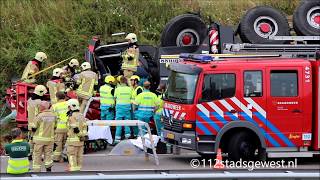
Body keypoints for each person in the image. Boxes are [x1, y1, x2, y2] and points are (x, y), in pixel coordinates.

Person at [31, 101, 57, 172]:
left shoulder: (39, 116)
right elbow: (55, 126)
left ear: (42, 107)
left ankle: (37, 171)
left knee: (37, 155)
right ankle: (48, 170)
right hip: (50, 139)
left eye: (39, 106)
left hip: (39, 140)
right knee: (48, 155)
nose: (39, 107)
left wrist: (31, 137)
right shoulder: (54, 115)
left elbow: (33, 128)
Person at [66, 99, 88, 171]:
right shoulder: (81, 115)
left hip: (73, 141)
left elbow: (75, 128)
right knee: (79, 156)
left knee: (72, 155)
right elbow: (85, 127)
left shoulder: (71, 116)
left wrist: (80, 135)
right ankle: (78, 170)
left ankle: (73, 171)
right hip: (81, 141)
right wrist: (83, 136)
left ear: (70, 107)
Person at [27, 85, 47, 158]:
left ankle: (30, 153)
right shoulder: (40, 102)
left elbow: (28, 110)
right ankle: (39, 155)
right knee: (38, 140)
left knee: (31, 139)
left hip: (30, 123)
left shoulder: (29, 100)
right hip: (38, 124)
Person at [114, 76, 132, 143]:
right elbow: (131, 98)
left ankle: (117, 139)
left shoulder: (117, 89)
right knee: (127, 121)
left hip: (119, 107)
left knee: (119, 122)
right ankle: (127, 137)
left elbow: (115, 98)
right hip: (127, 106)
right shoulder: (129, 89)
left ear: (120, 81)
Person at [51, 92, 68, 162]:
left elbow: (52, 118)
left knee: (58, 143)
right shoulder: (69, 104)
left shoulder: (54, 106)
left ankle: (56, 158)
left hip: (59, 127)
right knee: (66, 143)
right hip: (69, 127)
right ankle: (66, 156)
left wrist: (54, 127)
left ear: (57, 98)